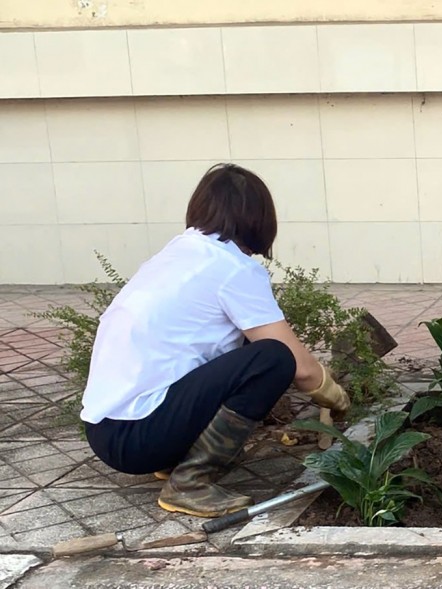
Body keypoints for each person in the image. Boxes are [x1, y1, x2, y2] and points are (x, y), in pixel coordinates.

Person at [81, 163, 350, 518]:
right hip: (137, 437)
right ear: (259, 219)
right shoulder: (233, 268)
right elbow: (299, 368)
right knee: (273, 357)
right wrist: (337, 396)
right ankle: (189, 483)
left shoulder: (180, 253)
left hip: (106, 430)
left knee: (246, 345)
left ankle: (177, 458)